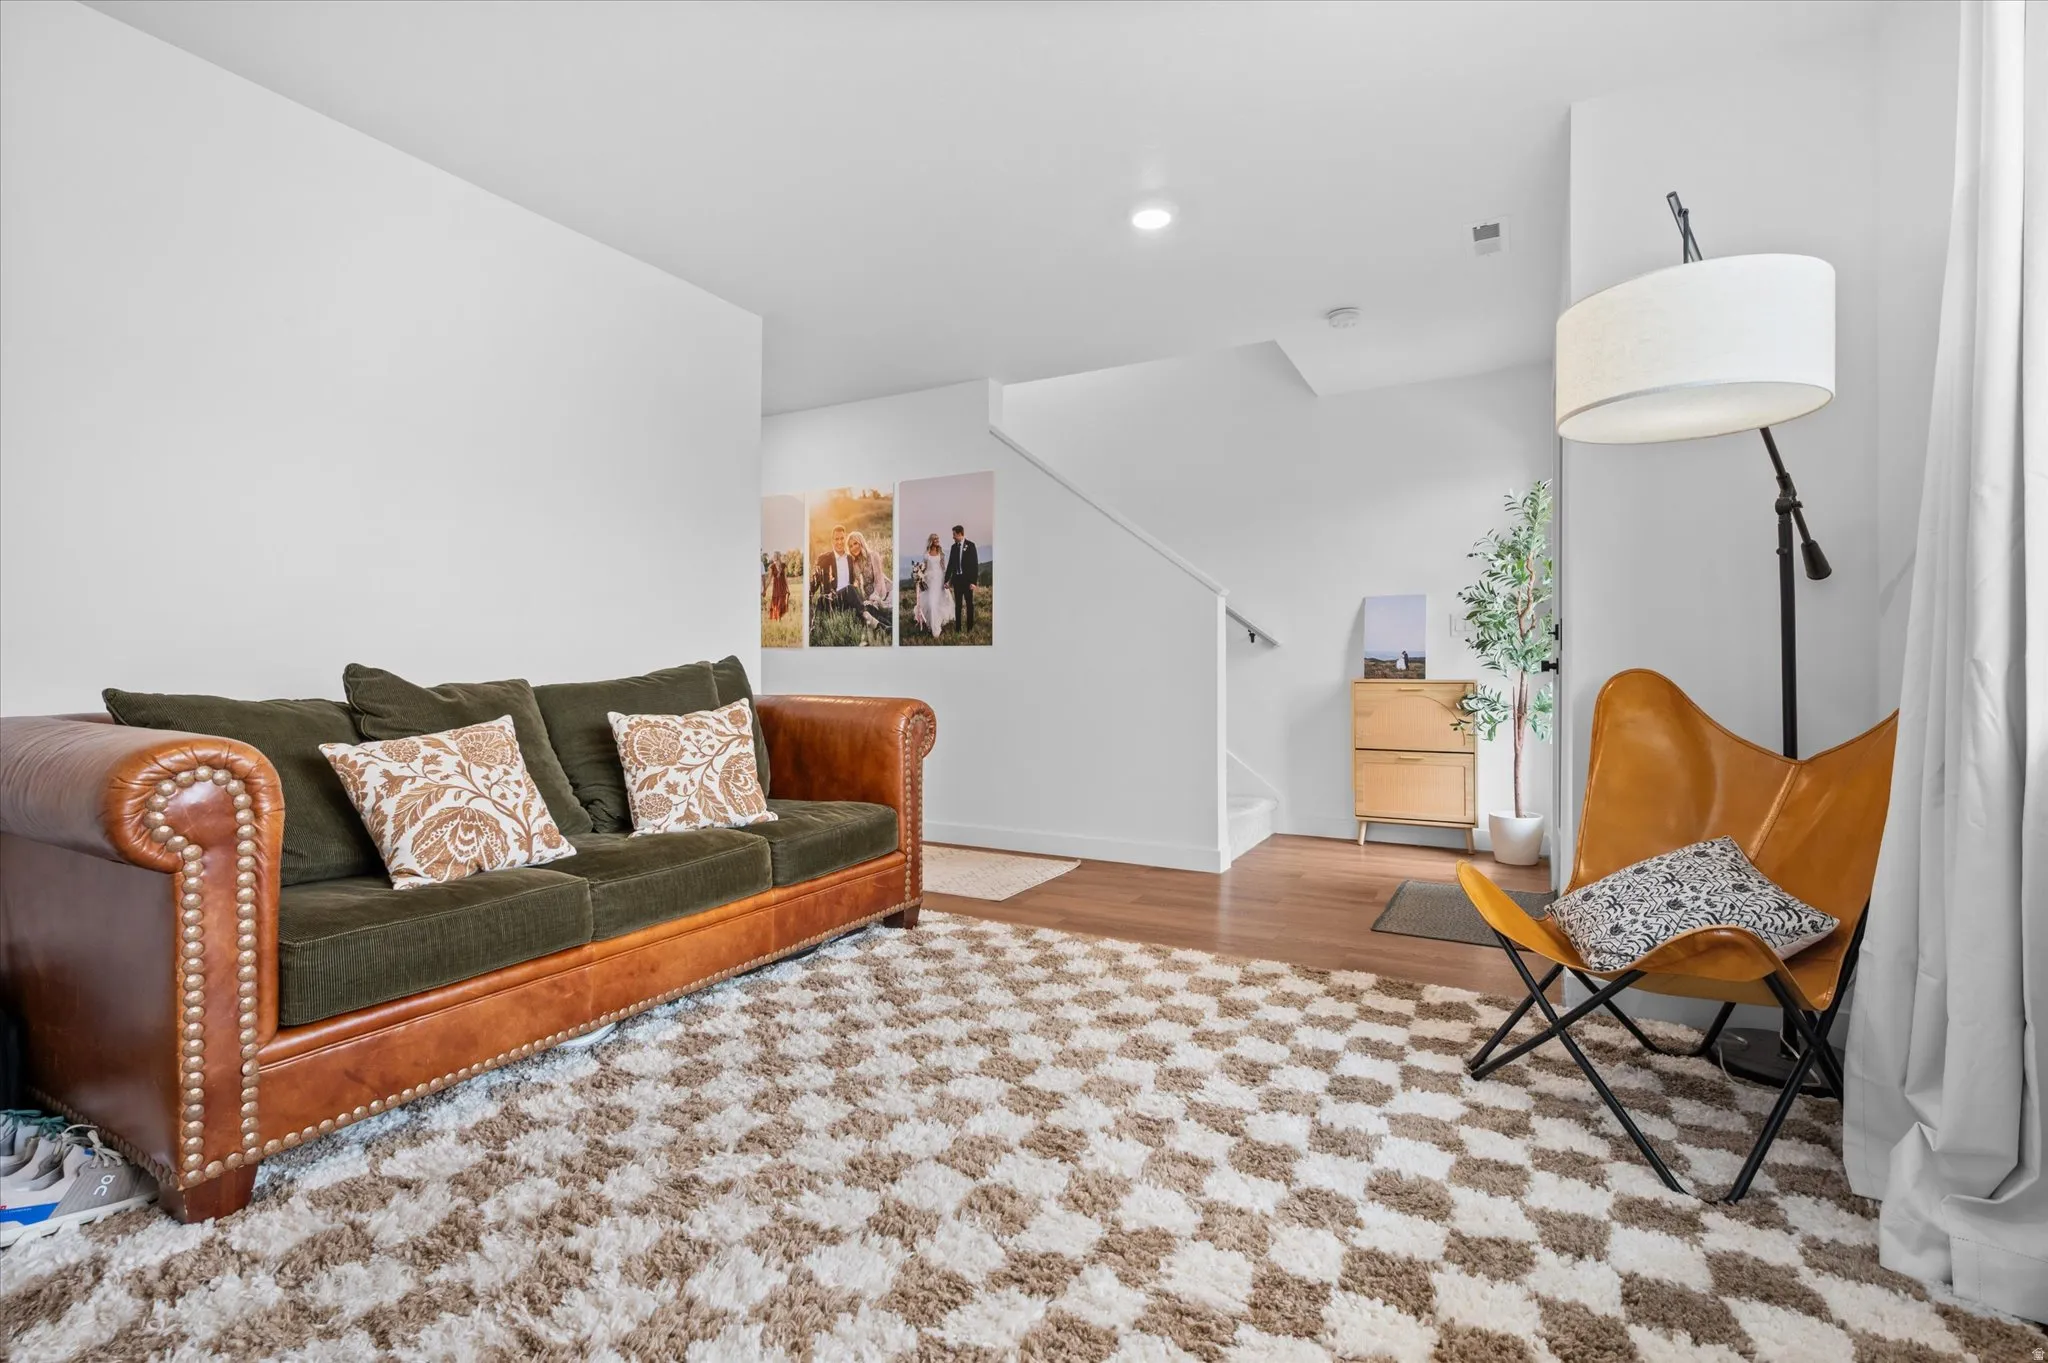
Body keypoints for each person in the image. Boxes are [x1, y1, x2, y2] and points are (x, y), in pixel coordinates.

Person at [846, 531, 892, 637]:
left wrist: (874, 598)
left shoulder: (873, 556)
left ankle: (887, 628)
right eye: (851, 546)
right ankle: (884, 629)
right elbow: (856, 584)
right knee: (867, 610)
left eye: (855, 543)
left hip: (883, 592)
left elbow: (879, 580)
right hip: (867, 597)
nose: (853, 548)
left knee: (885, 611)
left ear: (861, 542)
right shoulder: (853, 563)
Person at [914, 532, 950, 638]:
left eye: (938, 539)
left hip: (939, 580)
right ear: (931, 541)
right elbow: (924, 568)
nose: (937, 541)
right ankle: (931, 625)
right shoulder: (926, 554)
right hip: (929, 581)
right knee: (931, 604)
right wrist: (920, 577)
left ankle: (936, 629)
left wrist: (946, 581)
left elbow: (943, 568)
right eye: (935, 539)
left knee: (937, 604)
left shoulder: (941, 554)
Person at [946, 524, 979, 634]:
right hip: (957, 581)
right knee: (958, 606)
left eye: (954, 535)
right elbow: (950, 565)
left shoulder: (971, 545)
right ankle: (958, 629)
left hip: (968, 582)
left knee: (969, 605)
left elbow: (975, 565)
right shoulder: (953, 547)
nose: (953, 537)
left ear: (960, 534)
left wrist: (973, 582)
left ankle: (970, 629)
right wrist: (946, 581)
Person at [767, 556, 789, 621]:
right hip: (776, 587)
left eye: (776, 558)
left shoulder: (783, 565)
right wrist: (765, 588)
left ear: (778, 558)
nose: (775, 560)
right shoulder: (772, 567)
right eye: (774, 559)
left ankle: (779, 618)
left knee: (781, 602)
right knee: (776, 603)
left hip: (782, 587)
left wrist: (788, 588)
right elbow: (769, 579)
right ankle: (777, 618)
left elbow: (785, 578)